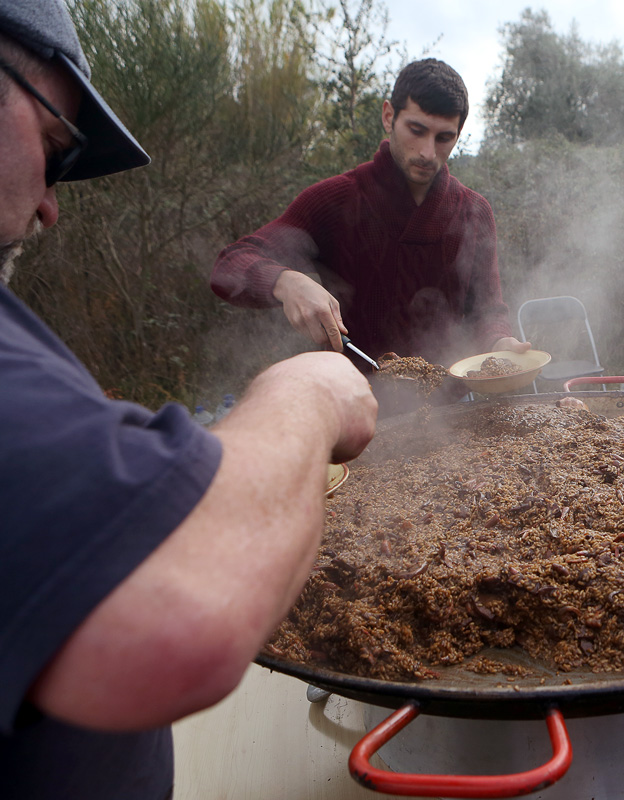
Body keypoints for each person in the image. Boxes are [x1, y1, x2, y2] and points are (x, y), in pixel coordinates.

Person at [0, 3, 378, 798]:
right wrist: (304, 388)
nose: (50, 206)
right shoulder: (341, 195)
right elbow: (179, 618)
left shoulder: (465, 208)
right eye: (56, 149)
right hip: (346, 399)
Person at [210, 58, 529, 373]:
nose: (427, 152)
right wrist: (285, 281)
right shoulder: (334, 201)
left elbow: (487, 312)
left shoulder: (474, 212)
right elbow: (231, 263)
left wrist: (499, 343)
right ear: (389, 116)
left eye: (444, 137)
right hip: (351, 405)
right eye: (416, 130)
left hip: (449, 417)